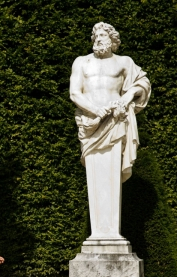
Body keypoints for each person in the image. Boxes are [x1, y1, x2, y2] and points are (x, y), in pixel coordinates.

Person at [69, 22, 150, 241]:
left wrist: (127, 96)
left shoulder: (124, 62)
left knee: (111, 176)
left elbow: (142, 82)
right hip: (92, 125)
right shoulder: (82, 62)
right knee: (96, 176)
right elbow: (75, 93)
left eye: (103, 35)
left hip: (115, 124)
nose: (98, 39)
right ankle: (99, 235)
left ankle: (111, 234)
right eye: (95, 35)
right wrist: (96, 110)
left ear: (112, 39)